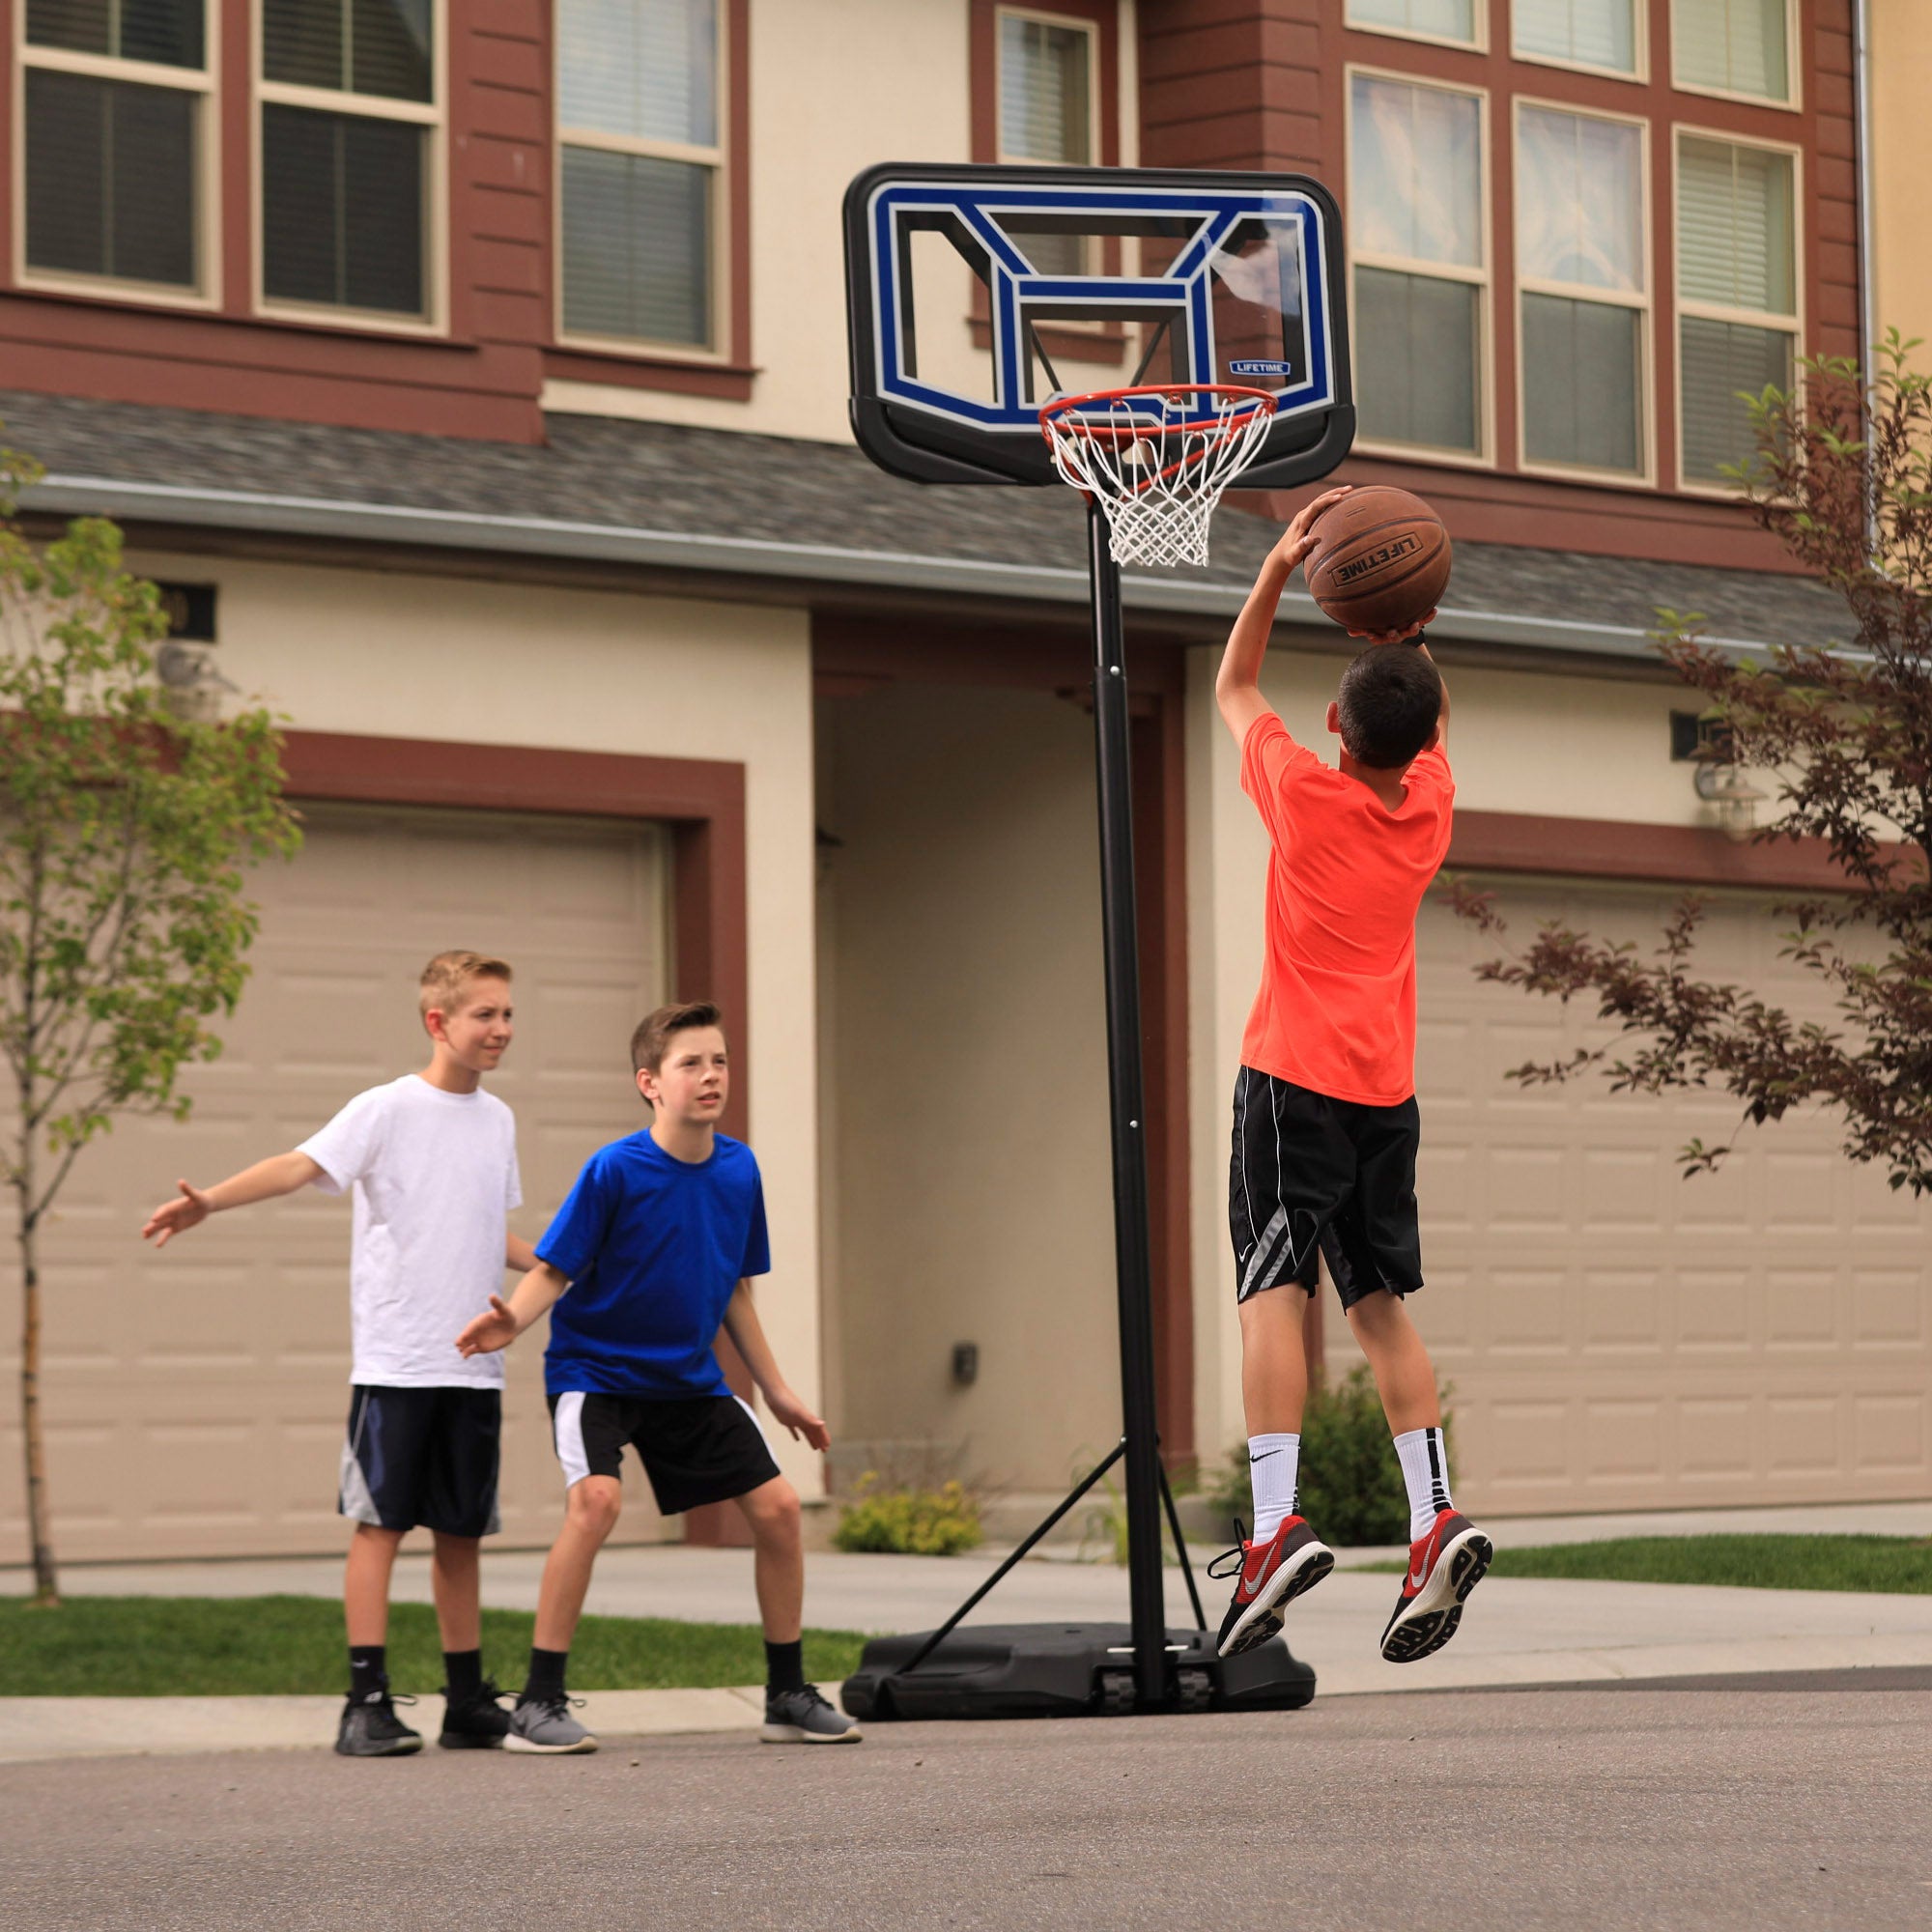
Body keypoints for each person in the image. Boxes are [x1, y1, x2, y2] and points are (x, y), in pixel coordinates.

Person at [1209, 486, 1492, 1664]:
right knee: (1378, 1306)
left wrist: (1279, 569)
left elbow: (1232, 688)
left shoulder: (1305, 795)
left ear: (1334, 717)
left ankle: (1274, 1525)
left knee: (1273, 1289)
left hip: (1291, 1081)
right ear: (1426, 738)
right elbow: (1417, 717)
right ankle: (1432, 1520)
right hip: (1384, 1091)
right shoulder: (1425, 806)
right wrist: (1400, 623)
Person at [141, 950, 536, 1755]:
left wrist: (566, 1268)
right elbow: (299, 1165)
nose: (502, 1029)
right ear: (439, 1022)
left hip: (473, 1367)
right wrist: (209, 1202)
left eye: (507, 1014)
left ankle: (466, 1701)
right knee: (380, 1526)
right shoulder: (386, 1109)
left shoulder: (498, 1121)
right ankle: (365, 1704)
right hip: (397, 1363)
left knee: (460, 1533)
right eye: (485, 1014)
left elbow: (484, 1230)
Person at [455, 1000, 859, 1750]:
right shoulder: (614, 1169)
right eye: (690, 1064)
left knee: (775, 1509)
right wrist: (513, 1321)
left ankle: (786, 1693)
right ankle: (538, 1703)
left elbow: (735, 1290)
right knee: (596, 1503)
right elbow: (555, 1266)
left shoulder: (740, 1169)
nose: (711, 1077)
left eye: (720, 1061)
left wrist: (776, 1390)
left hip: (688, 1381)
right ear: (650, 1082)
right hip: (596, 1373)